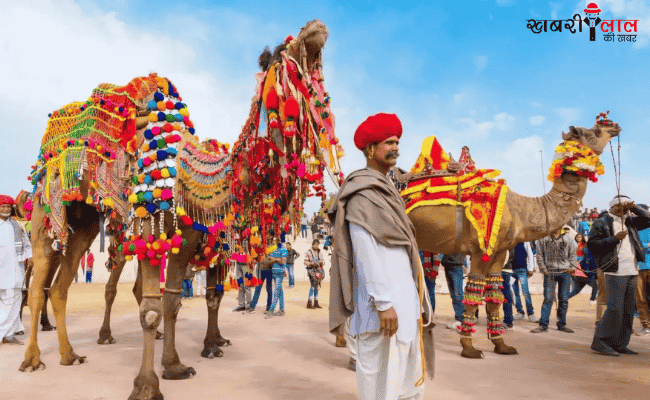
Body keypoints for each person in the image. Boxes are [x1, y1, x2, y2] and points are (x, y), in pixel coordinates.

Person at [329, 113, 434, 399]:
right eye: (389, 142)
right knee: (381, 388)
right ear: (369, 149)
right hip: (382, 311)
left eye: (398, 142)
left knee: (406, 386)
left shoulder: (389, 191)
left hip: (404, 307)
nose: (395, 147)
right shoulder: (363, 193)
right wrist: (384, 303)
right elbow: (365, 252)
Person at [590, 195, 650, 356]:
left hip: (632, 269)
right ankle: (600, 342)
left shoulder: (630, 220)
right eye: (622, 206)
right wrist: (614, 239)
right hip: (614, 270)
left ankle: (620, 343)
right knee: (615, 308)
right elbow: (593, 244)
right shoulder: (601, 222)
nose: (624, 209)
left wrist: (635, 208)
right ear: (614, 207)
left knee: (628, 309)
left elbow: (648, 219)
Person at [531, 228, 578, 334]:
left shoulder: (568, 239)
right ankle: (543, 325)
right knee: (548, 299)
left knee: (564, 299)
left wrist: (573, 268)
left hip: (565, 273)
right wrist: (544, 270)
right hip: (549, 273)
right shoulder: (543, 239)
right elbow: (539, 256)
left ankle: (562, 324)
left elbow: (573, 255)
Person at [0, 195, 31, 345]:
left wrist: (30, 256)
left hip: (16, 270)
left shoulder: (17, 225)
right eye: (3, 207)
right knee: (7, 303)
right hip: (2, 271)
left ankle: (9, 335)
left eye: (8, 207)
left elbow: (26, 243)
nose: (5, 209)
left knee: (16, 302)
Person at [509, 242, 539, 322]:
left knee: (525, 292)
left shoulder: (524, 241)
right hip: (511, 271)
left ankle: (531, 314)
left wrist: (530, 268)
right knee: (515, 293)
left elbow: (530, 254)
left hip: (522, 270)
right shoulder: (510, 241)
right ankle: (520, 312)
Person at [568, 235, 598, 302]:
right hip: (582, 271)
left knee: (576, 291)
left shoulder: (584, 246)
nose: (578, 238)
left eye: (580, 237)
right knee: (595, 286)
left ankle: (564, 299)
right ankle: (592, 299)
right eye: (577, 237)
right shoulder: (575, 244)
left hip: (579, 269)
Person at [441, 253, 466, 330]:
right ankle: (459, 318)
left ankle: (461, 319)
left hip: (456, 265)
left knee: (457, 294)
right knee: (454, 294)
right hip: (448, 264)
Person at [635, 209, 650, 336]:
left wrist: (641, 245)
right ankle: (646, 325)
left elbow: (637, 246)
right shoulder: (632, 230)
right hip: (638, 268)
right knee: (640, 298)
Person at [266, 237, 287, 318]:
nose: (276, 240)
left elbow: (283, 261)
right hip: (274, 272)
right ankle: (282, 310)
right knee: (280, 291)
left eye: (278, 239)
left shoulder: (283, 249)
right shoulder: (273, 248)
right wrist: (277, 259)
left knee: (276, 291)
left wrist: (274, 259)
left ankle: (271, 310)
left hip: (280, 273)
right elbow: (269, 260)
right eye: (276, 238)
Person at [305, 239, 326, 309]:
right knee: (312, 286)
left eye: (317, 244)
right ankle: (309, 303)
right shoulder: (308, 252)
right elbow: (305, 262)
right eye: (315, 244)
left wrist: (321, 262)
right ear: (312, 244)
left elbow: (323, 260)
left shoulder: (320, 252)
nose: (316, 246)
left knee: (317, 287)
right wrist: (312, 263)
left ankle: (316, 302)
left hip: (318, 272)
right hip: (311, 271)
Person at [232, 245, 253, 313]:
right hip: (238, 264)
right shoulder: (236, 238)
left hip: (246, 265)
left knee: (247, 285)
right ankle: (241, 305)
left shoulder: (248, 237)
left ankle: (249, 304)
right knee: (240, 285)